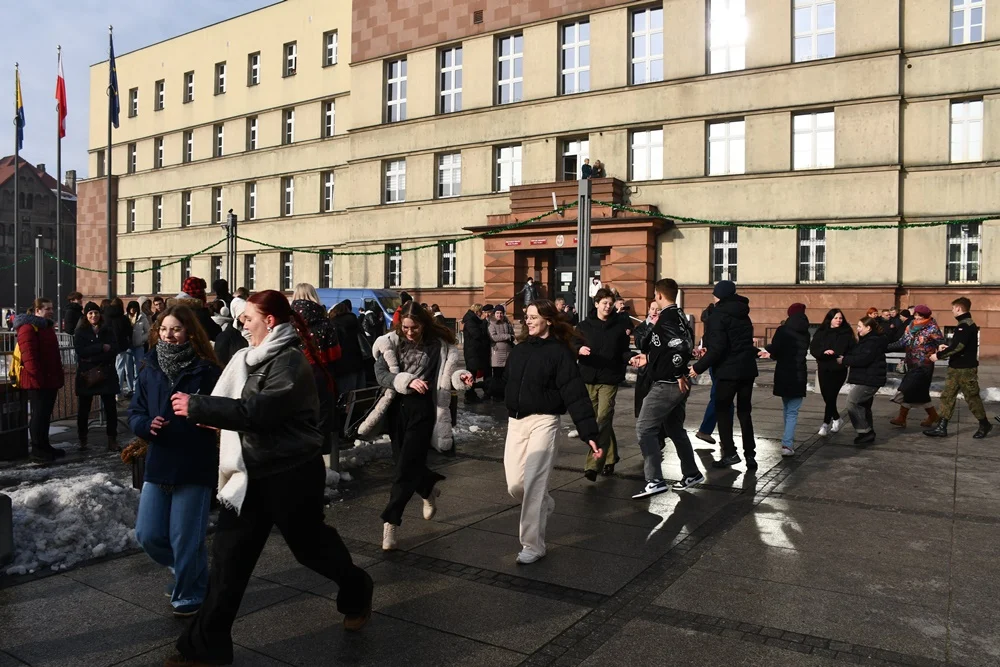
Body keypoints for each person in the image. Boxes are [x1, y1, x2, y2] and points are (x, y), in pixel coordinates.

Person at [166, 290, 374, 666]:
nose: (241, 324)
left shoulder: (290, 361)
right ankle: (203, 649)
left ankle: (357, 588)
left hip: (291, 475)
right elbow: (242, 409)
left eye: (248, 318)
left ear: (270, 321)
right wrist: (216, 415)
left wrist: (199, 406)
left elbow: (259, 411)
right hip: (249, 476)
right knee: (228, 563)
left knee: (311, 549)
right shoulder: (249, 357)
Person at [131, 305, 222, 618]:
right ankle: (190, 571)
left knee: (186, 537)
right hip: (159, 460)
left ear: (190, 333)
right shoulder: (149, 366)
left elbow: (224, 408)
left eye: (176, 329)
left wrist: (202, 412)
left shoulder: (207, 370)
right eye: (164, 329)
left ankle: (189, 593)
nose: (169, 335)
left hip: (195, 461)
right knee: (148, 534)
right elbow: (135, 412)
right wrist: (146, 425)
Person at [362, 301, 473, 550]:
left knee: (404, 469)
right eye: (405, 327)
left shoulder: (438, 345)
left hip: (424, 409)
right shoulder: (389, 343)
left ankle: (391, 521)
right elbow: (381, 375)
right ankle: (427, 487)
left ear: (424, 324)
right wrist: (406, 380)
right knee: (404, 462)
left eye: (414, 327)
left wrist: (461, 377)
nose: (410, 332)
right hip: (396, 408)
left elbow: (448, 376)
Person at [502, 300, 600, 564]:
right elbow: (504, 383)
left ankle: (533, 546)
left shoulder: (560, 352)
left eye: (534, 317)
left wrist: (589, 433)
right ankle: (544, 503)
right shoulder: (520, 350)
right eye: (527, 317)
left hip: (544, 422)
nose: (528, 321)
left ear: (548, 319)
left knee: (534, 484)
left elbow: (575, 393)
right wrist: (468, 380)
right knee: (515, 485)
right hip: (516, 423)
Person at [629, 279, 703, 497]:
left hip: (667, 383)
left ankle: (654, 480)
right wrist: (649, 358)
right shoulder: (678, 316)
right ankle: (691, 473)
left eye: (654, 295)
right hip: (673, 381)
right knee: (674, 429)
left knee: (644, 428)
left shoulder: (668, 318)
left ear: (659, 295)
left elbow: (681, 346)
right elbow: (666, 347)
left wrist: (678, 372)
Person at [690, 280, 759, 470]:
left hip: (728, 371)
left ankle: (730, 453)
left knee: (722, 411)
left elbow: (717, 348)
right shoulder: (744, 313)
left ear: (719, 295)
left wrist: (697, 367)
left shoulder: (718, 315)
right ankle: (750, 455)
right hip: (747, 369)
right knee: (744, 413)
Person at [577, 288, 632, 480]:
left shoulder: (619, 326)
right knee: (598, 421)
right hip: (588, 376)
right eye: (604, 303)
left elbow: (624, 351)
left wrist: (631, 358)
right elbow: (572, 344)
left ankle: (593, 465)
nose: (608, 307)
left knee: (603, 417)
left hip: (609, 378)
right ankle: (611, 457)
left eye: (610, 303)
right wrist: (579, 349)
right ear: (596, 304)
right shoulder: (584, 326)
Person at [924, 297, 993, 439]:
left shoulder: (965, 325)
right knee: (947, 396)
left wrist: (938, 355)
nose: (952, 311)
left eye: (953, 308)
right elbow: (960, 346)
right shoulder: (963, 324)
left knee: (972, 398)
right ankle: (942, 427)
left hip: (965, 370)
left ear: (958, 308)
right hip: (955, 368)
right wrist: (947, 348)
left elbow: (959, 346)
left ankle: (984, 424)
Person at [291, 283, 342, 458]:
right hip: (320, 376)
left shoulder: (287, 321)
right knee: (321, 419)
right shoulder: (325, 321)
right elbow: (334, 354)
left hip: (294, 375)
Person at [15, 298, 66, 462]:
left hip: (48, 378)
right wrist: (36, 377)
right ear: (37, 310)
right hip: (37, 380)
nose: (51, 311)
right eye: (47, 309)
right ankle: (37, 448)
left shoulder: (46, 327)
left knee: (44, 414)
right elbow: (29, 355)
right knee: (38, 414)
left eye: (51, 308)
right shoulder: (28, 328)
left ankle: (44, 445)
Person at [763, 304, 811, 457]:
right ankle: (787, 444)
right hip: (799, 374)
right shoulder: (806, 332)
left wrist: (769, 349)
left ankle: (787, 442)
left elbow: (776, 350)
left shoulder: (783, 330)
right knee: (792, 411)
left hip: (784, 373)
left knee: (787, 408)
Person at [74, 302, 121, 451]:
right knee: (84, 409)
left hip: (106, 372)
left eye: (96, 313)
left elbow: (114, 349)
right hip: (87, 374)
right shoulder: (80, 332)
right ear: (86, 315)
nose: (94, 316)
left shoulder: (107, 329)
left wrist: (94, 356)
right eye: (90, 313)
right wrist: (100, 347)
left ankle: (112, 439)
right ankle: (82, 438)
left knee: (110, 408)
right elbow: (81, 351)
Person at [887, 305, 943, 429]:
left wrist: (939, 351)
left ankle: (902, 416)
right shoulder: (910, 326)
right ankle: (932, 416)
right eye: (916, 315)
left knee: (908, 387)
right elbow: (902, 342)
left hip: (924, 365)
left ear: (926, 316)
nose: (917, 317)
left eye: (920, 316)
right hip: (911, 363)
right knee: (921, 393)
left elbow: (940, 342)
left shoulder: (932, 328)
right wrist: (884, 347)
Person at [839, 315, 888, 445]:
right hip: (867, 378)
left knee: (852, 402)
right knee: (863, 405)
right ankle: (867, 432)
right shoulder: (866, 340)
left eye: (860, 327)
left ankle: (865, 432)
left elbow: (863, 359)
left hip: (871, 379)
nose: (858, 329)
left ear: (868, 328)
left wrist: (844, 360)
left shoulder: (872, 342)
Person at [809, 308, 855, 436]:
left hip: (839, 369)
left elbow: (852, 350)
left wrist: (845, 359)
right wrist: (823, 352)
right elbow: (814, 348)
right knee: (826, 395)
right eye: (836, 318)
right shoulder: (821, 332)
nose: (839, 320)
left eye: (840, 318)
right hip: (824, 367)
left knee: (831, 396)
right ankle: (836, 418)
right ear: (830, 319)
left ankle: (825, 424)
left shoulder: (846, 333)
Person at [694, 302, 733, 445]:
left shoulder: (711, 331)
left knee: (725, 400)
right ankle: (707, 431)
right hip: (721, 367)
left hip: (719, 366)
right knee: (720, 398)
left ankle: (725, 437)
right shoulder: (717, 329)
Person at [331, 300, 366, 396]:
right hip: (359, 362)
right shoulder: (355, 321)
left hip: (343, 365)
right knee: (359, 395)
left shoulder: (334, 324)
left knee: (345, 396)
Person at [461, 304, 490, 403]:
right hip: (472, 352)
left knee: (473, 373)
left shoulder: (473, 320)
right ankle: (469, 395)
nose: (482, 314)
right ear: (477, 311)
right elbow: (477, 334)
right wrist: (484, 323)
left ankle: (471, 394)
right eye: (481, 311)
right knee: (471, 374)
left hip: (474, 351)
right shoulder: (470, 321)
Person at [106, 298, 135, 398]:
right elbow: (129, 331)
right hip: (121, 346)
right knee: (120, 369)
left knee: (112, 368)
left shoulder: (106, 316)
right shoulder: (123, 318)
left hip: (109, 346)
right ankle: (118, 392)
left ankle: (112, 390)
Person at [179, 277, 222, 342]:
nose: (205, 293)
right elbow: (216, 333)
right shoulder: (198, 312)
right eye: (203, 290)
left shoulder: (173, 308)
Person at [123, 300, 150, 396]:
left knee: (138, 368)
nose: (132, 310)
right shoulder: (125, 317)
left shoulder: (142, 317)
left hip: (139, 346)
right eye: (131, 308)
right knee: (128, 369)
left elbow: (148, 331)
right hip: (128, 347)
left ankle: (137, 388)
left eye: (134, 308)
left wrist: (142, 339)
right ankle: (130, 388)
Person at [213, 295, 249, 366]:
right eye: (244, 315)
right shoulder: (225, 336)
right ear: (237, 316)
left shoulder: (254, 332)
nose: (248, 317)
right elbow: (219, 361)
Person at [488, 304, 515, 382]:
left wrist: (512, 337)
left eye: (501, 313)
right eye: (497, 313)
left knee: (506, 375)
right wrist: (507, 336)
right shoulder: (491, 323)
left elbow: (512, 334)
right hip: (497, 352)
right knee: (497, 375)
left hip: (508, 352)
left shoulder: (507, 322)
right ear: (494, 313)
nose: (499, 315)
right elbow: (493, 337)